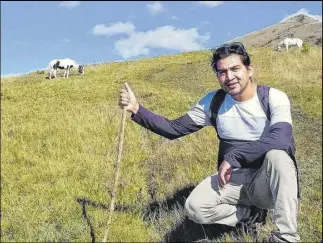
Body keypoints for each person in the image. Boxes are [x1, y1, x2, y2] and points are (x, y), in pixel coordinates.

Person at [118, 42, 300, 242]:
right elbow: (174, 129)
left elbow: (282, 138)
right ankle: (250, 216)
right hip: (231, 180)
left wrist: (234, 156)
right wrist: (136, 109)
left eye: (235, 69)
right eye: (222, 72)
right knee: (195, 208)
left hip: (265, 183)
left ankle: (285, 236)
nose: (229, 77)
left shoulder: (273, 97)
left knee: (279, 156)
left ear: (249, 70)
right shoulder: (214, 102)